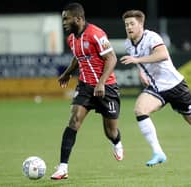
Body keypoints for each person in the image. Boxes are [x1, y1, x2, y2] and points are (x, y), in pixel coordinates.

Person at [120, 10, 191, 172]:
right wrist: (140, 70)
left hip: (175, 86)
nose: (129, 27)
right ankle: (158, 152)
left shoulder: (152, 37)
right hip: (157, 88)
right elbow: (138, 58)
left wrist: (137, 60)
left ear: (141, 25)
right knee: (140, 110)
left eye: (132, 24)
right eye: (126, 25)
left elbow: (163, 54)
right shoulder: (128, 44)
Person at [51, 2, 124, 180]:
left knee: (110, 131)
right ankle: (63, 168)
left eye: (66, 19)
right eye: (63, 19)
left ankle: (117, 142)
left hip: (106, 88)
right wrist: (67, 73)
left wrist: (101, 83)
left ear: (79, 18)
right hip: (84, 87)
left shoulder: (96, 34)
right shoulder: (71, 39)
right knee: (74, 120)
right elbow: (78, 57)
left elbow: (112, 58)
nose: (64, 23)